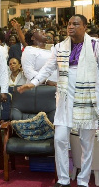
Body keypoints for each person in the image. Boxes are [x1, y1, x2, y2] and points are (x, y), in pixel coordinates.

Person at [18, 14, 98, 187]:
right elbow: (47, 69)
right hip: (65, 100)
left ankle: (83, 181)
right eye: (69, 24)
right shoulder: (59, 47)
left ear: (84, 27)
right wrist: (32, 84)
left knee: (86, 143)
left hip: (88, 100)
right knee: (60, 139)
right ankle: (63, 179)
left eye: (76, 24)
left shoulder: (95, 46)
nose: (71, 27)